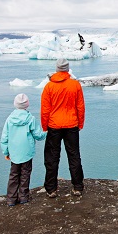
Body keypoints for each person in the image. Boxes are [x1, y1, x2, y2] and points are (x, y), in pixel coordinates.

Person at [41, 58, 86, 198]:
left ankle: (51, 189)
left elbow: (45, 109)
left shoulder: (49, 87)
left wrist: (45, 126)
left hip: (54, 125)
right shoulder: (75, 85)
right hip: (72, 124)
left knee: (52, 157)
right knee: (74, 156)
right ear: (67, 69)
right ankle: (77, 187)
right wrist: (80, 124)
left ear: (57, 69)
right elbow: (80, 107)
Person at [0, 93, 46, 206]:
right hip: (27, 152)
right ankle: (23, 197)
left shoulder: (10, 119)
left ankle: (11, 199)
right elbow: (38, 135)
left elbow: (4, 137)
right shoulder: (30, 118)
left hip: (14, 152)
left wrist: (6, 151)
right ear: (27, 105)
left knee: (14, 174)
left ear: (15, 104)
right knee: (25, 174)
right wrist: (46, 132)